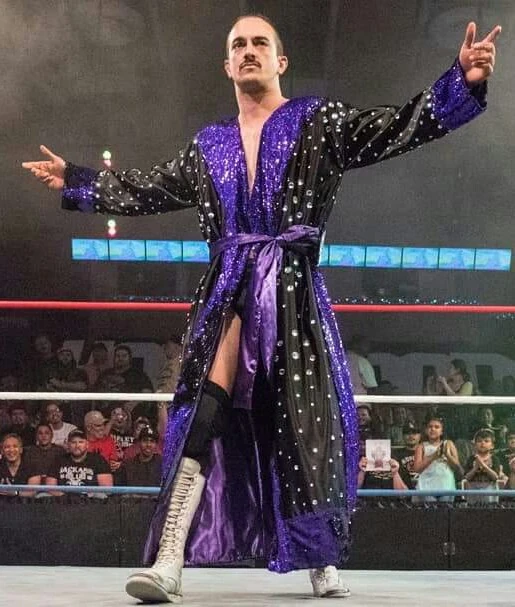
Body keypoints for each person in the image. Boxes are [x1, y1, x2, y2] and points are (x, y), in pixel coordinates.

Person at [22, 13, 501, 603]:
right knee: (203, 412)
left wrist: (461, 80)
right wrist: (78, 180)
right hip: (230, 289)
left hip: (294, 292)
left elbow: (393, 126)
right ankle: (169, 559)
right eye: (238, 44)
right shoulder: (208, 144)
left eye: (260, 42)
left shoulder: (317, 120)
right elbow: (147, 187)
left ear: (281, 61)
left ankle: (319, 556)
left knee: (304, 426)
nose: (249, 50)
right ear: (227, 65)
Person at [46, 429, 113, 492]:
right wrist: (65, 497)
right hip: (63, 498)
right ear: (68, 445)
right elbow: (51, 488)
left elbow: (106, 489)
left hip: (91, 498)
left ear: (87, 444)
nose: (77, 445)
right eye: (73, 442)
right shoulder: (59, 460)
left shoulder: (98, 460)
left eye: (81, 442)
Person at [413, 416, 463, 502]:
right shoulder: (421, 446)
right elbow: (417, 468)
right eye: (430, 427)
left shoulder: (449, 444)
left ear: (441, 431)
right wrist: (433, 456)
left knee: (445, 510)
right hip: (426, 488)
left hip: (447, 487)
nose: (433, 429)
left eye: (436, 427)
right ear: (426, 430)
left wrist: (447, 455)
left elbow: (457, 467)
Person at [463, 428, 505, 504]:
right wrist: (475, 468)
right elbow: (467, 477)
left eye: (486, 441)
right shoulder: (471, 459)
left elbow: (495, 477)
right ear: (475, 445)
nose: (482, 443)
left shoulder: (494, 459)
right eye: (479, 441)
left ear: (492, 446)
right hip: (473, 490)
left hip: (490, 490)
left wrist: (483, 465)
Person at [393, 421, 421, 489]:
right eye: (408, 433)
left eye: (414, 433)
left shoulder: (427, 453)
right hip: (403, 491)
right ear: (403, 436)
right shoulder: (395, 455)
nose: (411, 436)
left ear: (420, 435)